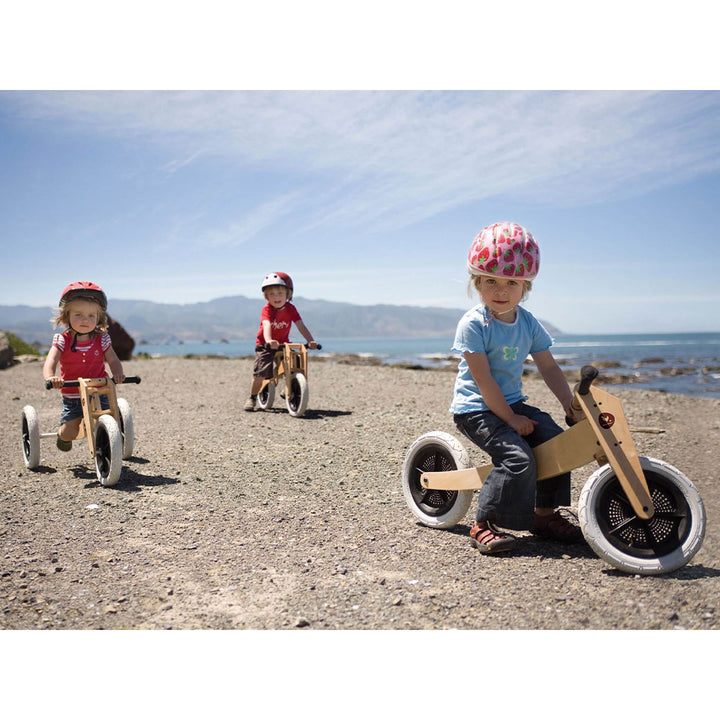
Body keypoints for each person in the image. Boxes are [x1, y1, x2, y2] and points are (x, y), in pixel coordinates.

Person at [449, 222, 583, 554]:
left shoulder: (527, 322)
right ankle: (484, 522)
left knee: (557, 442)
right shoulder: (473, 325)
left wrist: (569, 404)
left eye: (511, 282)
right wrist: (510, 419)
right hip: (477, 408)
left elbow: (548, 366)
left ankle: (543, 515)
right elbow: (484, 380)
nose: (501, 289)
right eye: (490, 280)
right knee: (517, 458)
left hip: (510, 403)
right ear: (477, 282)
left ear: (525, 285)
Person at [43, 282, 125, 451]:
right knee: (70, 432)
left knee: (111, 419)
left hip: (99, 389)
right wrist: (51, 377)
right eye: (78, 315)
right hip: (73, 394)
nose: (85, 320)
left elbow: (113, 360)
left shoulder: (101, 339)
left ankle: (110, 447)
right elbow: (51, 361)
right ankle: (62, 436)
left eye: (91, 316)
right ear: (67, 316)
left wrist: (117, 373)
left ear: (99, 317)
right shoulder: (62, 340)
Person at [244, 272, 317, 411]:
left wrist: (310, 340)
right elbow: (266, 325)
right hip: (265, 344)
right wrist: (269, 340)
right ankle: (252, 397)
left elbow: (300, 325)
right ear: (266, 296)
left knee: (295, 362)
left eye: (280, 293)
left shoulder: (291, 309)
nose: (276, 297)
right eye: (271, 294)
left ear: (288, 294)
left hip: (283, 343)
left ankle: (290, 385)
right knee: (262, 372)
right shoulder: (267, 309)